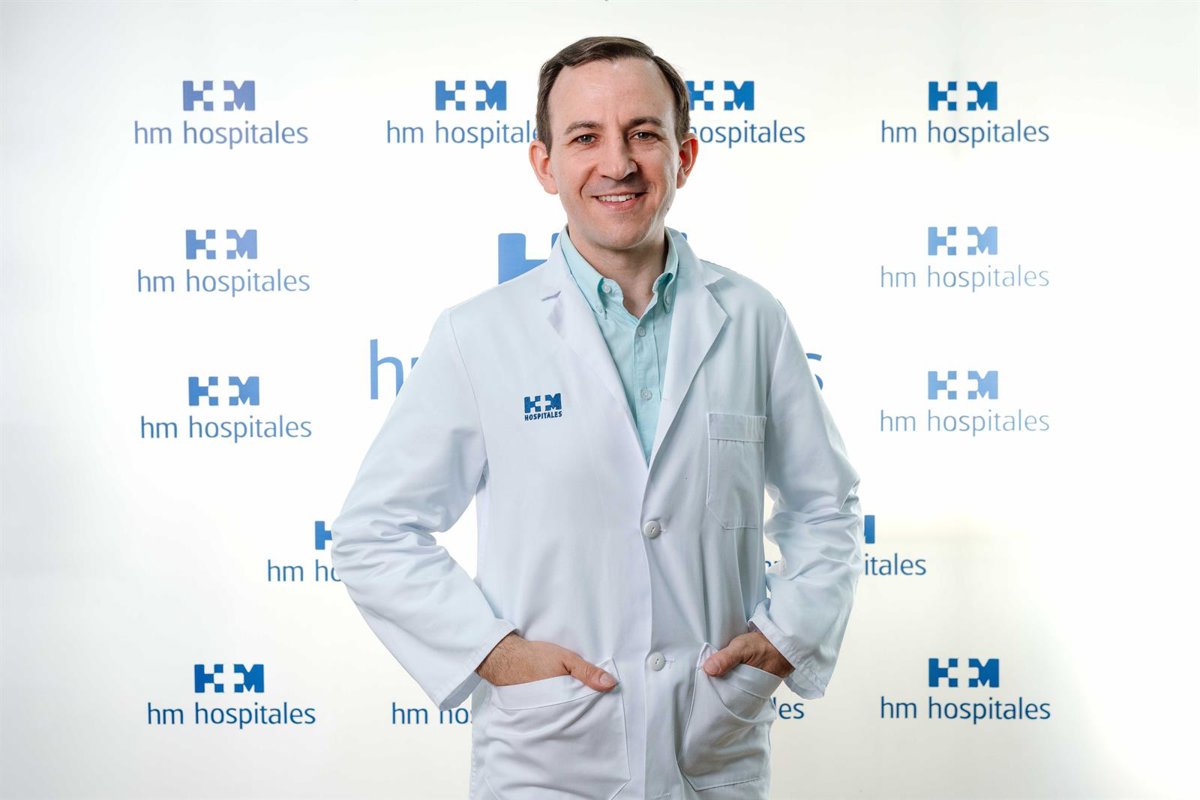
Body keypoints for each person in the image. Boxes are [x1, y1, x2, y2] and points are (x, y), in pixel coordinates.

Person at [332, 36, 862, 800]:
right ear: (545, 164)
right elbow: (373, 531)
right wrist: (496, 654)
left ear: (684, 156)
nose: (618, 164)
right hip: (548, 756)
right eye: (586, 137)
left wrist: (787, 638)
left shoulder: (754, 320)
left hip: (712, 745)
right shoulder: (479, 335)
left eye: (643, 134)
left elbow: (826, 506)